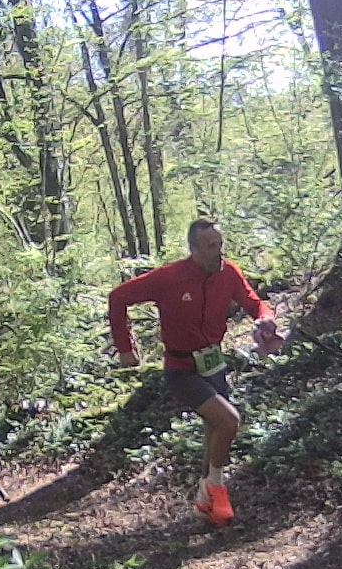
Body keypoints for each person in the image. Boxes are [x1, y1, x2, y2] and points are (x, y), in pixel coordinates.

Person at [107, 218, 283, 527]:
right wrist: (125, 347)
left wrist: (265, 320)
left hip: (213, 364)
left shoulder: (229, 272)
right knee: (229, 420)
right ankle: (215, 489)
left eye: (220, 245)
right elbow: (118, 297)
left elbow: (254, 303)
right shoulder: (169, 277)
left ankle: (205, 502)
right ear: (194, 250)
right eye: (211, 246)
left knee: (216, 430)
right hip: (181, 369)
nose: (219, 253)